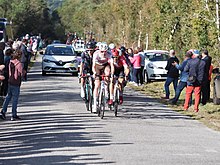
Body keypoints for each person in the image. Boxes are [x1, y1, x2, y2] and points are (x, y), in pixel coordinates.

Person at [1, 50, 25, 121]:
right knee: (15, 99)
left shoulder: (11, 62)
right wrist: (24, 72)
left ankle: (3, 111)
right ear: (20, 56)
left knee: (8, 97)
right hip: (16, 82)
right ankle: (13, 114)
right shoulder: (19, 64)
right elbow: (21, 74)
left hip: (10, 81)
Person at [92, 42, 113, 112]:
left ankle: (106, 90)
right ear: (99, 50)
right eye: (102, 51)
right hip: (97, 66)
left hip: (105, 65)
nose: (103, 53)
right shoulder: (96, 54)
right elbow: (93, 66)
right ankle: (95, 104)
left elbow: (112, 65)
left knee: (107, 73)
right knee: (97, 85)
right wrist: (94, 73)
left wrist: (111, 74)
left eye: (105, 52)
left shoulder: (109, 54)